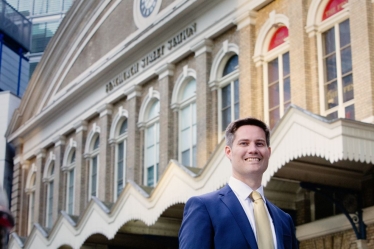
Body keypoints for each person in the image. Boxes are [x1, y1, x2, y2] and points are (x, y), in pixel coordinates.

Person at [179, 117, 298, 249]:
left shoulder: (284, 219)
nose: (253, 149)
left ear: (268, 152)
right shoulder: (204, 207)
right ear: (229, 152)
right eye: (244, 143)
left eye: (259, 143)